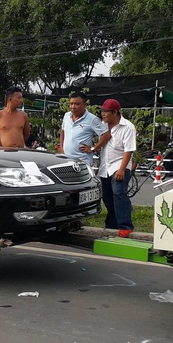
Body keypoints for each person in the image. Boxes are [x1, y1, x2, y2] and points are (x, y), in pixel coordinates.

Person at [96, 99, 136, 238]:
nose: (103, 114)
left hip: (119, 166)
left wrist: (121, 169)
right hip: (105, 167)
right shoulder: (102, 126)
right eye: (102, 111)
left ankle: (125, 225)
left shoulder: (128, 127)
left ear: (115, 112)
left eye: (106, 111)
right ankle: (112, 224)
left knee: (119, 194)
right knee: (107, 197)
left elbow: (129, 150)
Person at [60, 92, 110, 165]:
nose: (73, 106)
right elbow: (63, 130)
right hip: (66, 160)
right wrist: (61, 148)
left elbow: (106, 135)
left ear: (85, 105)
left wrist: (93, 149)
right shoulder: (67, 116)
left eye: (77, 104)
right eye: (71, 104)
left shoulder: (92, 119)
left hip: (82, 162)